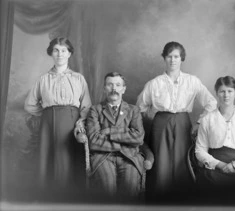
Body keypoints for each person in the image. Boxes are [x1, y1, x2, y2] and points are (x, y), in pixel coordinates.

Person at [136, 41, 217, 199]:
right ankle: (160, 200)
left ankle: (182, 200)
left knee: (182, 160)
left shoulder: (192, 81)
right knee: (161, 161)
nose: (172, 60)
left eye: (176, 56)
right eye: (169, 56)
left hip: (182, 122)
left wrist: (199, 122)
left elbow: (211, 103)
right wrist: (152, 117)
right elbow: (139, 108)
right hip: (160, 124)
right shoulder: (154, 83)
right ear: (164, 58)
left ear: (182, 59)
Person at [24, 37, 92, 194]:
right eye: (56, 50)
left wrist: (80, 123)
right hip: (48, 123)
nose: (60, 54)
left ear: (69, 54)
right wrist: (47, 113)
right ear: (51, 54)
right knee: (48, 160)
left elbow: (86, 106)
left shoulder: (78, 78)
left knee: (68, 159)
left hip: (72, 123)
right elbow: (29, 105)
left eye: (63, 50)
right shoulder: (43, 79)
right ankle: (48, 198)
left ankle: (70, 198)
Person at [86, 72, 145, 202]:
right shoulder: (95, 110)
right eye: (110, 85)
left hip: (129, 157)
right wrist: (124, 141)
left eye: (118, 85)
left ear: (123, 89)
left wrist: (110, 131)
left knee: (129, 189)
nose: (114, 89)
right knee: (107, 189)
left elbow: (138, 137)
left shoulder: (133, 110)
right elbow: (94, 141)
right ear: (104, 88)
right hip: (103, 157)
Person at [195, 76, 235, 187]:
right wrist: (221, 165)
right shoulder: (207, 119)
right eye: (222, 91)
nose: (226, 95)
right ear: (216, 93)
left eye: (230, 91)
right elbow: (200, 151)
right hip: (215, 168)